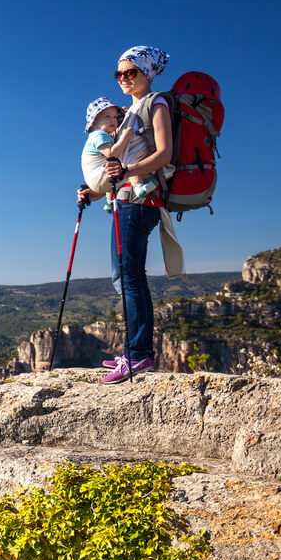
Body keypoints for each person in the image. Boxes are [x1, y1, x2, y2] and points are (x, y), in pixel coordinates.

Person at [77, 46, 178, 384]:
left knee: (130, 278)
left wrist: (126, 169)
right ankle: (136, 352)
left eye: (130, 72)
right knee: (126, 278)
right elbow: (121, 164)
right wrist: (94, 192)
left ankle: (138, 356)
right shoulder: (129, 112)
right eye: (118, 73)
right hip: (125, 199)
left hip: (139, 201)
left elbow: (164, 154)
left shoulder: (156, 103)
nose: (123, 78)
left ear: (147, 73)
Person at [80, 98, 157, 212]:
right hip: (98, 176)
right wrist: (126, 138)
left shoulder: (97, 136)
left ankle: (108, 201)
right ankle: (138, 187)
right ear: (95, 121)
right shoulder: (99, 135)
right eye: (107, 117)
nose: (113, 120)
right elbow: (111, 153)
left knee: (114, 164)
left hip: (94, 180)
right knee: (129, 162)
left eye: (115, 117)